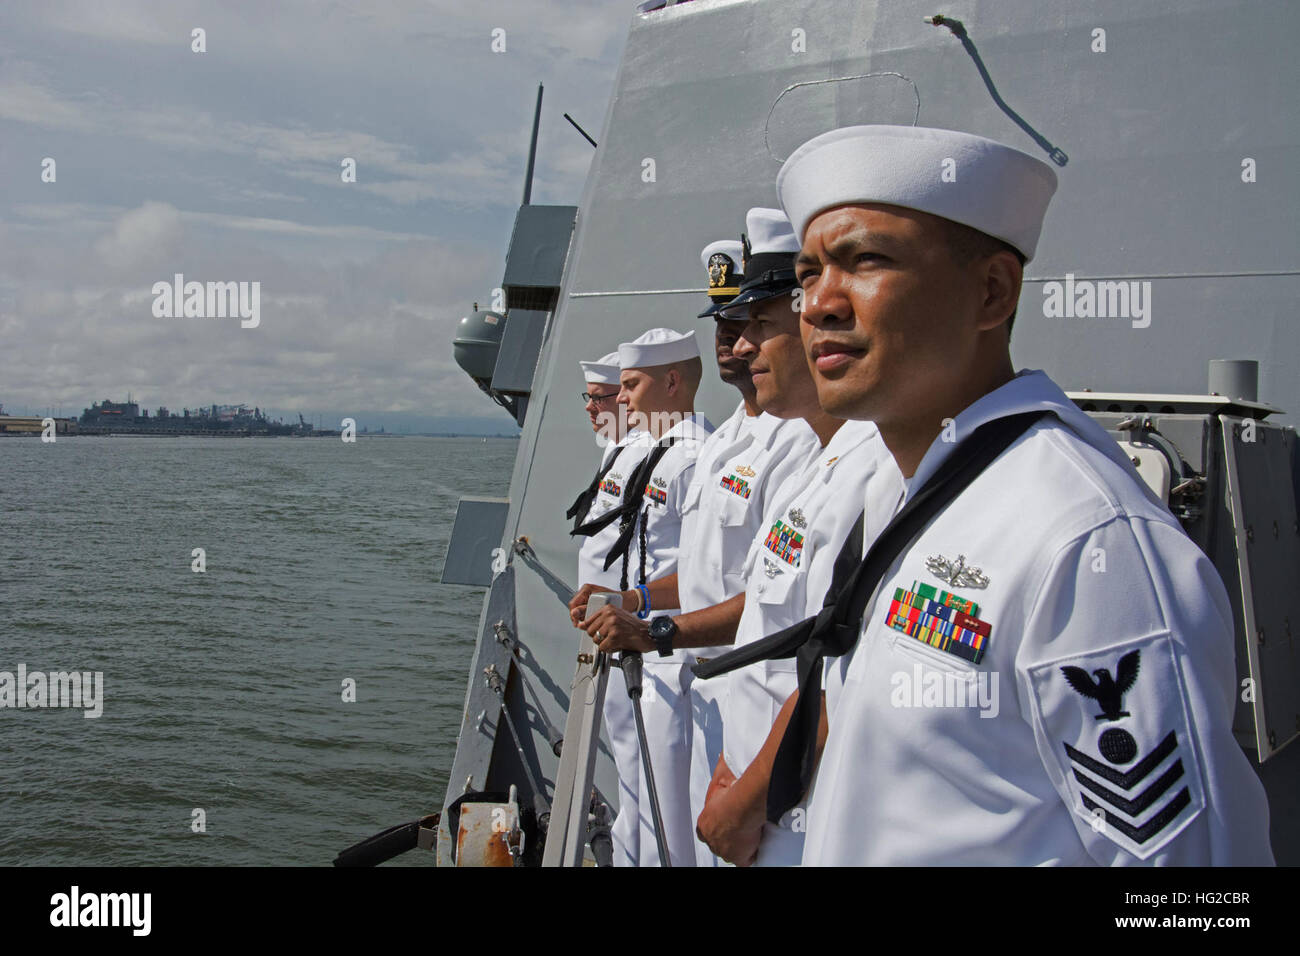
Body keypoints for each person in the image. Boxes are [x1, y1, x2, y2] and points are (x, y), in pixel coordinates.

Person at [725, 123, 1273, 865]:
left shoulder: (1084, 542)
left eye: (865, 262)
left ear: (992, 292)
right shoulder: (904, 491)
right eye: (809, 272)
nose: (817, 303)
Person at [691, 209, 899, 867]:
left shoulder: (876, 473)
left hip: (796, 822)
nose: (742, 346)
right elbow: (772, 628)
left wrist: (743, 803)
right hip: (757, 794)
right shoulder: (818, 459)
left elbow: (843, 677)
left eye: (761, 326)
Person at [571, 327, 713, 866]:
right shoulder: (656, 451)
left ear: (671, 381)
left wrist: (632, 604)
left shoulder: (699, 458)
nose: (621, 399)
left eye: (629, 385)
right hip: (630, 641)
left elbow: (705, 572)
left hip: (667, 652)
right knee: (632, 779)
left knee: (665, 799)